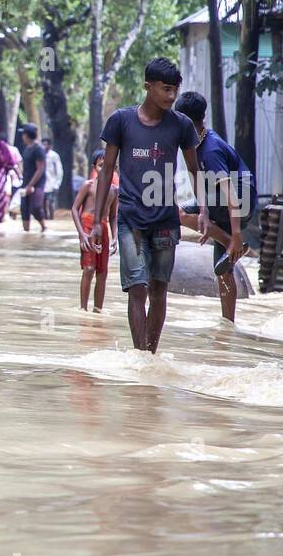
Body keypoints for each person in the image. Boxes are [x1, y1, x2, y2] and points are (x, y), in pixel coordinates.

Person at [90, 57, 207, 353]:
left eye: (175, 91)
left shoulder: (181, 125)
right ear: (147, 87)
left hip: (166, 220)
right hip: (130, 219)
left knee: (158, 289)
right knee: (137, 288)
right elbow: (107, 170)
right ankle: (141, 355)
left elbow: (195, 169)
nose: (171, 97)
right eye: (165, 89)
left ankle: (151, 355)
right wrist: (98, 220)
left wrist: (204, 209)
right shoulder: (121, 120)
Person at [173, 90, 261, 323]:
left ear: (187, 122)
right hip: (221, 202)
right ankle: (228, 323)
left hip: (238, 201)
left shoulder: (210, 150)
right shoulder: (195, 143)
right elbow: (198, 182)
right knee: (222, 269)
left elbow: (230, 192)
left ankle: (230, 241)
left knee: (175, 212)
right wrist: (204, 212)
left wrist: (237, 234)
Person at [70, 148, 118, 312]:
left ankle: (98, 310)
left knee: (102, 272)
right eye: (100, 166)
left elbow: (113, 216)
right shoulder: (88, 186)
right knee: (89, 268)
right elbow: (75, 209)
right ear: (94, 167)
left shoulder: (114, 190)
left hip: (103, 227)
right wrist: (82, 235)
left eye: (107, 166)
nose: (103, 169)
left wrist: (115, 238)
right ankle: (83, 309)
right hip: (88, 225)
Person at [19, 124, 47, 233]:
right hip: (26, 182)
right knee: (24, 208)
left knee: (35, 207)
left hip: (37, 184)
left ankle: (44, 227)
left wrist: (31, 185)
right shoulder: (27, 148)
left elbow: (40, 169)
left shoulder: (38, 149)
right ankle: (26, 232)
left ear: (26, 135)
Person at [43, 137, 64, 221]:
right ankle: (45, 219)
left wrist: (57, 184)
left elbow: (59, 170)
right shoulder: (40, 154)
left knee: (50, 202)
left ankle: (51, 219)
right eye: (43, 144)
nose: (44, 146)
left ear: (49, 145)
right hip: (42, 183)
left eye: (46, 144)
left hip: (51, 183)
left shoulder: (54, 156)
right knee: (42, 203)